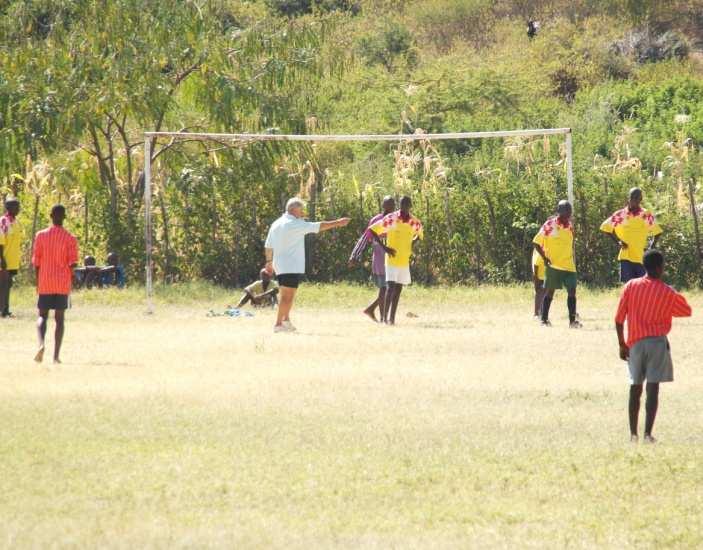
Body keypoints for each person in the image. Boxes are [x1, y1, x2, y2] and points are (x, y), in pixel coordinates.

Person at [615, 250, 691, 444]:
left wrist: (622, 344)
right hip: (657, 343)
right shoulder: (667, 291)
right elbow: (686, 311)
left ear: (644, 266)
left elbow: (618, 319)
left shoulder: (631, 286)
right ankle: (648, 434)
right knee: (653, 388)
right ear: (660, 267)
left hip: (635, 343)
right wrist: (670, 297)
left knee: (635, 387)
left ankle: (633, 434)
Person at [264, 197, 350, 333]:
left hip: (280, 265)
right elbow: (319, 226)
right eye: (301, 210)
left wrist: (269, 262)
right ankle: (278, 324)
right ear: (293, 210)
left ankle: (286, 321)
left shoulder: (276, 223)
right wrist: (338, 223)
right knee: (287, 296)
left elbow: (268, 245)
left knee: (288, 294)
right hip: (290, 265)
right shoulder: (295, 223)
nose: (302, 212)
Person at [32, 204, 79, 364]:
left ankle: (41, 344)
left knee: (42, 316)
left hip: (45, 281)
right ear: (64, 217)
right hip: (62, 283)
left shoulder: (40, 236)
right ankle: (56, 356)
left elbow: (36, 262)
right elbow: (72, 263)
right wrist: (72, 279)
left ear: (50, 216)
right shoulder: (70, 238)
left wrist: (38, 282)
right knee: (60, 319)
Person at [369, 195, 423, 325]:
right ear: (400, 205)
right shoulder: (392, 218)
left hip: (404, 260)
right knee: (390, 288)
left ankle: (392, 319)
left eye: (407, 205)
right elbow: (372, 231)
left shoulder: (414, 222)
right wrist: (385, 248)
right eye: (402, 204)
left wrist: (410, 244)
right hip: (391, 260)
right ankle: (384, 319)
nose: (405, 207)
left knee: (398, 290)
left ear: (410, 206)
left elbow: (420, 235)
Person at [533, 200, 582, 328]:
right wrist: (545, 258)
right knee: (550, 292)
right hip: (554, 265)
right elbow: (536, 242)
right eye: (566, 212)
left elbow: (570, 243)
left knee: (572, 291)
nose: (568, 215)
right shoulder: (550, 225)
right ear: (559, 212)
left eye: (569, 212)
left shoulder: (570, 226)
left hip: (569, 266)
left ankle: (572, 322)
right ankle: (544, 320)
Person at [348, 196, 396, 322]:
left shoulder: (396, 219)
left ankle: (372, 310)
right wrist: (355, 255)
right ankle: (382, 318)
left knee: (390, 288)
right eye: (389, 205)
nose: (391, 208)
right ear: (383, 206)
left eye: (393, 205)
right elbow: (365, 238)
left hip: (393, 258)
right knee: (384, 288)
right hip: (380, 260)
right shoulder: (376, 220)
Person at [601, 187, 662, 283]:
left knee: (642, 288)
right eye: (633, 198)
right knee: (627, 287)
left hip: (641, 258)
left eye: (638, 198)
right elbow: (605, 228)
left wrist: (650, 248)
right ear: (628, 199)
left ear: (640, 199)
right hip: (626, 257)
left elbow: (657, 232)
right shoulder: (621, 214)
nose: (635, 201)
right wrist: (618, 241)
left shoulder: (645, 214)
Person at [0, 197, 22, 318]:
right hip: (4, 260)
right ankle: (2, 311)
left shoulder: (16, 222)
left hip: (12, 261)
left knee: (7, 285)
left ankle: (5, 309)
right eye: (15, 206)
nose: (18, 209)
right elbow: (0, 241)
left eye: (18, 207)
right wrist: (2, 259)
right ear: (8, 208)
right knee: (2, 285)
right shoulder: (3, 221)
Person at [531, 247, 545, 319]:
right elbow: (536, 264)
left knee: (542, 293)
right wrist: (535, 275)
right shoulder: (542, 247)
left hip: (543, 272)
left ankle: (540, 313)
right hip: (540, 274)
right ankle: (536, 313)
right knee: (540, 292)